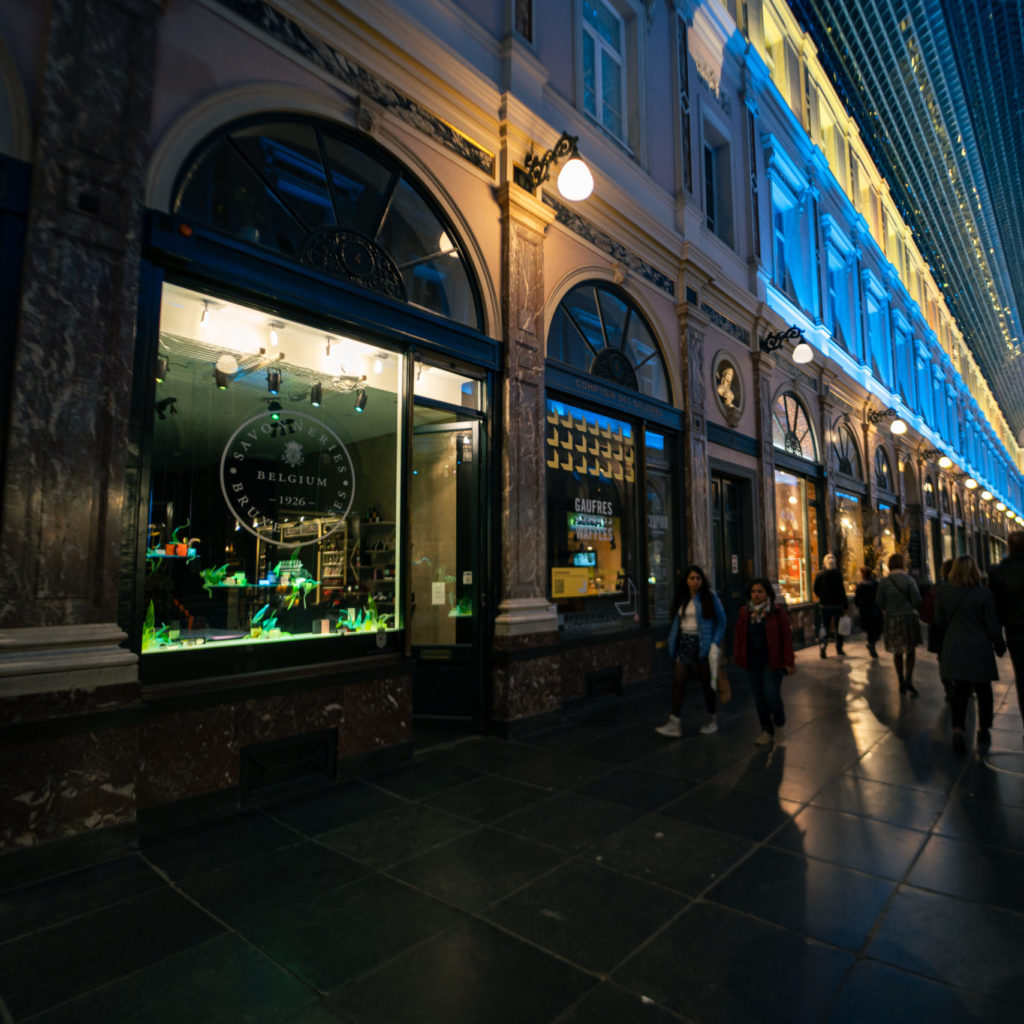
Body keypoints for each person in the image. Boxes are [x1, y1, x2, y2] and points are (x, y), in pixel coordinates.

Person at [935, 554, 1005, 752]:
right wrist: (999, 644)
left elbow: (939, 619)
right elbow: (992, 624)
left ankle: (958, 729)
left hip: (954, 645)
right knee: (983, 690)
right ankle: (984, 728)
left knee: (961, 691)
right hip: (979, 646)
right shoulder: (983, 594)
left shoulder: (944, 591)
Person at [656, 565, 727, 738]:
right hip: (685, 642)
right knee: (679, 681)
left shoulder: (709, 597)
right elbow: (677, 622)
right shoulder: (683, 598)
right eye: (692, 578)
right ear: (686, 581)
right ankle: (674, 723)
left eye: (698, 578)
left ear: (702, 581)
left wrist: (714, 643)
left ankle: (712, 719)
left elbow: (722, 620)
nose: (695, 581)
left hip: (702, 643)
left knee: (706, 683)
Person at [733, 578, 795, 746]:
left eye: (760, 591)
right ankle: (766, 730)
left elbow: (786, 637)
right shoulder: (745, 612)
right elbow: (739, 635)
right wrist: (738, 655)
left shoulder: (776, 612)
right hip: (753, 661)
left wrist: (788, 661)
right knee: (759, 697)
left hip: (772, 660)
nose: (756, 595)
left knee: (771, 694)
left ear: (767, 593)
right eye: (753, 591)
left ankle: (779, 725)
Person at [987, 531, 1024, 746]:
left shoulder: (999, 572)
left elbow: (996, 610)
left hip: (1016, 634)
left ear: (1008, 546)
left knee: (1022, 679)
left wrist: (997, 641)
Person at [875, 552, 922, 695]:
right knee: (910, 650)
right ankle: (909, 679)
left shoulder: (883, 582)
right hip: (908, 618)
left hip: (892, 619)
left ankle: (900, 679)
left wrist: (888, 609)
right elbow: (917, 601)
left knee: (897, 652)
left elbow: (879, 601)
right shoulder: (909, 580)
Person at [920, 558, 954, 699]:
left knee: (943, 660)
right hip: (955, 631)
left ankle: (948, 688)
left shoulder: (937, 587)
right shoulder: (961, 587)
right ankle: (961, 687)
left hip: (939, 631)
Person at [813, 553, 848, 657]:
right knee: (838, 628)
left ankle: (823, 647)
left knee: (824, 626)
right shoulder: (837, 575)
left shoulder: (820, 575)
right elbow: (842, 591)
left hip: (825, 605)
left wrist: (822, 596)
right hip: (837, 605)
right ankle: (839, 648)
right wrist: (845, 605)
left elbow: (816, 589)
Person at [853, 566, 883, 658]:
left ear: (863, 574)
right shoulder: (876, 583)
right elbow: (880, 597)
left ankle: (871, 644)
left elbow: (857, 600)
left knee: (870, 630)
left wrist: (860, 605)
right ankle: (872, 644)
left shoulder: (860, 585)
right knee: (878, 629)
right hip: (875, 609)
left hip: (865, 611)